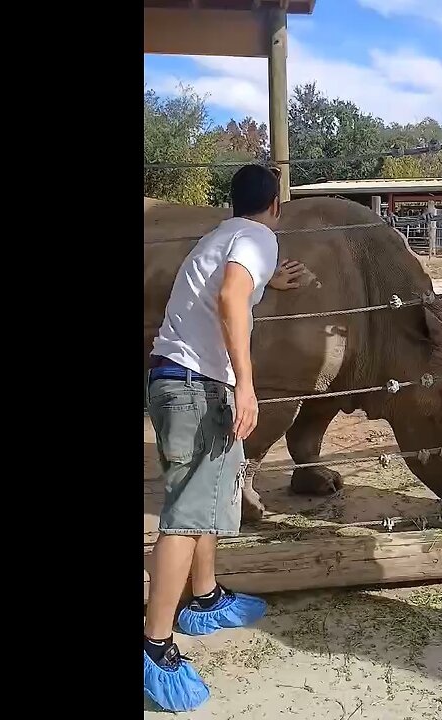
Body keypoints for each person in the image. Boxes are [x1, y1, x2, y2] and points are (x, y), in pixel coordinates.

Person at [143, 165, 296, 713]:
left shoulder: (225, 235)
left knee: (204, 496)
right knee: (186, 512)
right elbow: (232, 295)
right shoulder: (258, 237)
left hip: (176, 380)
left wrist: (273, 278)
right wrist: (248, 387)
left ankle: (204, 600)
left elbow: (229, 279)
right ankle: (154, 644)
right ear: (275, 205)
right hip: (196, 386)